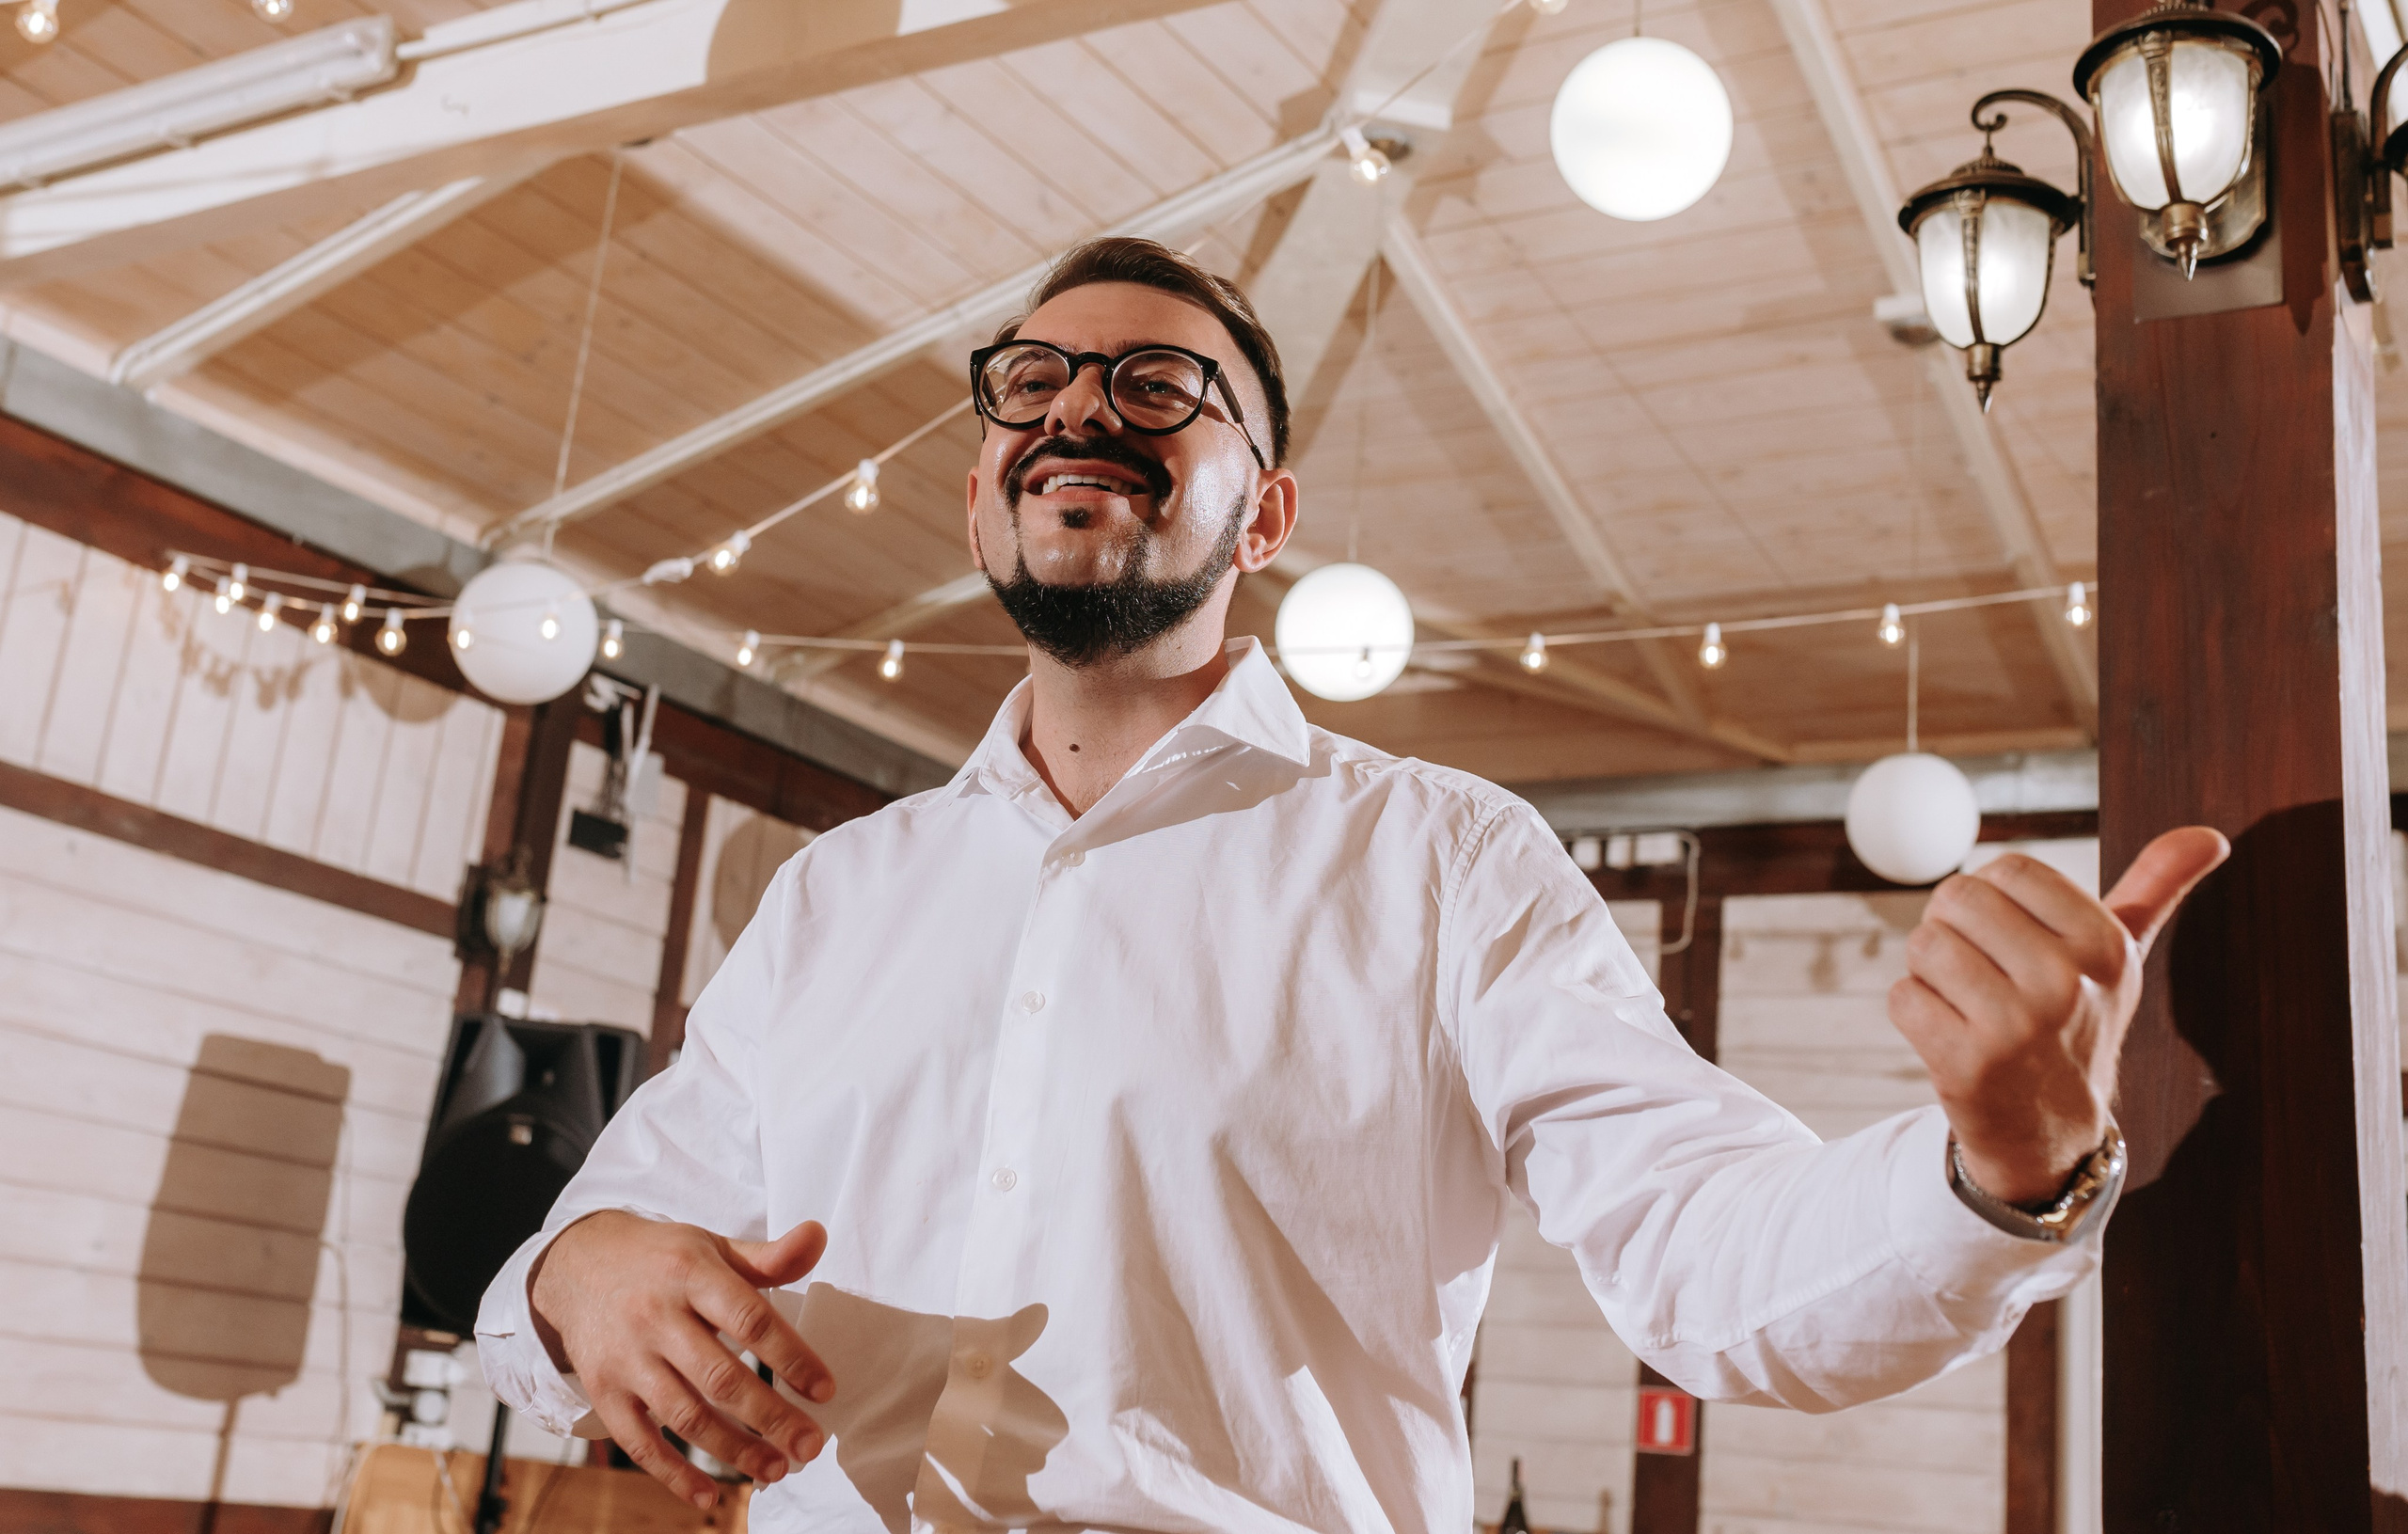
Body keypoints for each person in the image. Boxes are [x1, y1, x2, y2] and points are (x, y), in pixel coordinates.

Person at [476, 237, 2226, 1531]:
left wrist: (2000, 1172)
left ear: (1264, 513)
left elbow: (1707, 1252)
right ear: (982, 490)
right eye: (1031, 382)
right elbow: (572, 1266)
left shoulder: (1445, 862)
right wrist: (587, 1278)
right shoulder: (836, 901)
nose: (1081, 406)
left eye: (1161, 385)